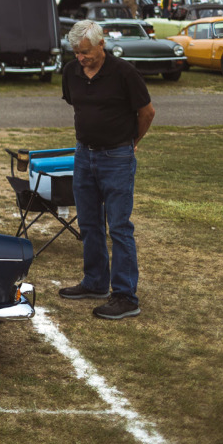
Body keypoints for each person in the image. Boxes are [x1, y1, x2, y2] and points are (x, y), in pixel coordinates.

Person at [58, 19, 155, 321]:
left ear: (102, 44)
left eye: (85, 52)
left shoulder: (124, 72)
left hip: (117, 157)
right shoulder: (71, 72)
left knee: (120, 227)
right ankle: (95, 282)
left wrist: (130, 143)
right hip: (83, 155)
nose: (81, 58)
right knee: (88, 222)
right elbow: (77, 106)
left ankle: (125, 296)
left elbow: (147, 112)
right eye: (76, 53)